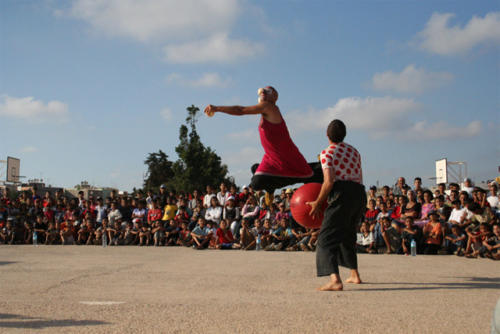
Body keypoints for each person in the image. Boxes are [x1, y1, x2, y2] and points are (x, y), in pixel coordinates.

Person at [204, 86, 322, 205]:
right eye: (263, 90)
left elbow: (241, 110)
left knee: (307, 174)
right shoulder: (264, 111)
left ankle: (319, 166)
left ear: (275, 97)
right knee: (255, 172)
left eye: (269, 91)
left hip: (286, 156)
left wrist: (217, 108)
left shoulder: (269, 107)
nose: (264, 92)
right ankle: (270, 188)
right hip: (271, 158)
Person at [307, 119, 366, 291]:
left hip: (342, 193)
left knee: (326, 238)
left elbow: (329, 181)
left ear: (327, 135)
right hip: (359, 193)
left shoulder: (327, 153)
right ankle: (354, 274)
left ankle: (335, 280)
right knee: (347, 236)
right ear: (344, 134)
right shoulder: (354, 151)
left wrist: (318, 202)